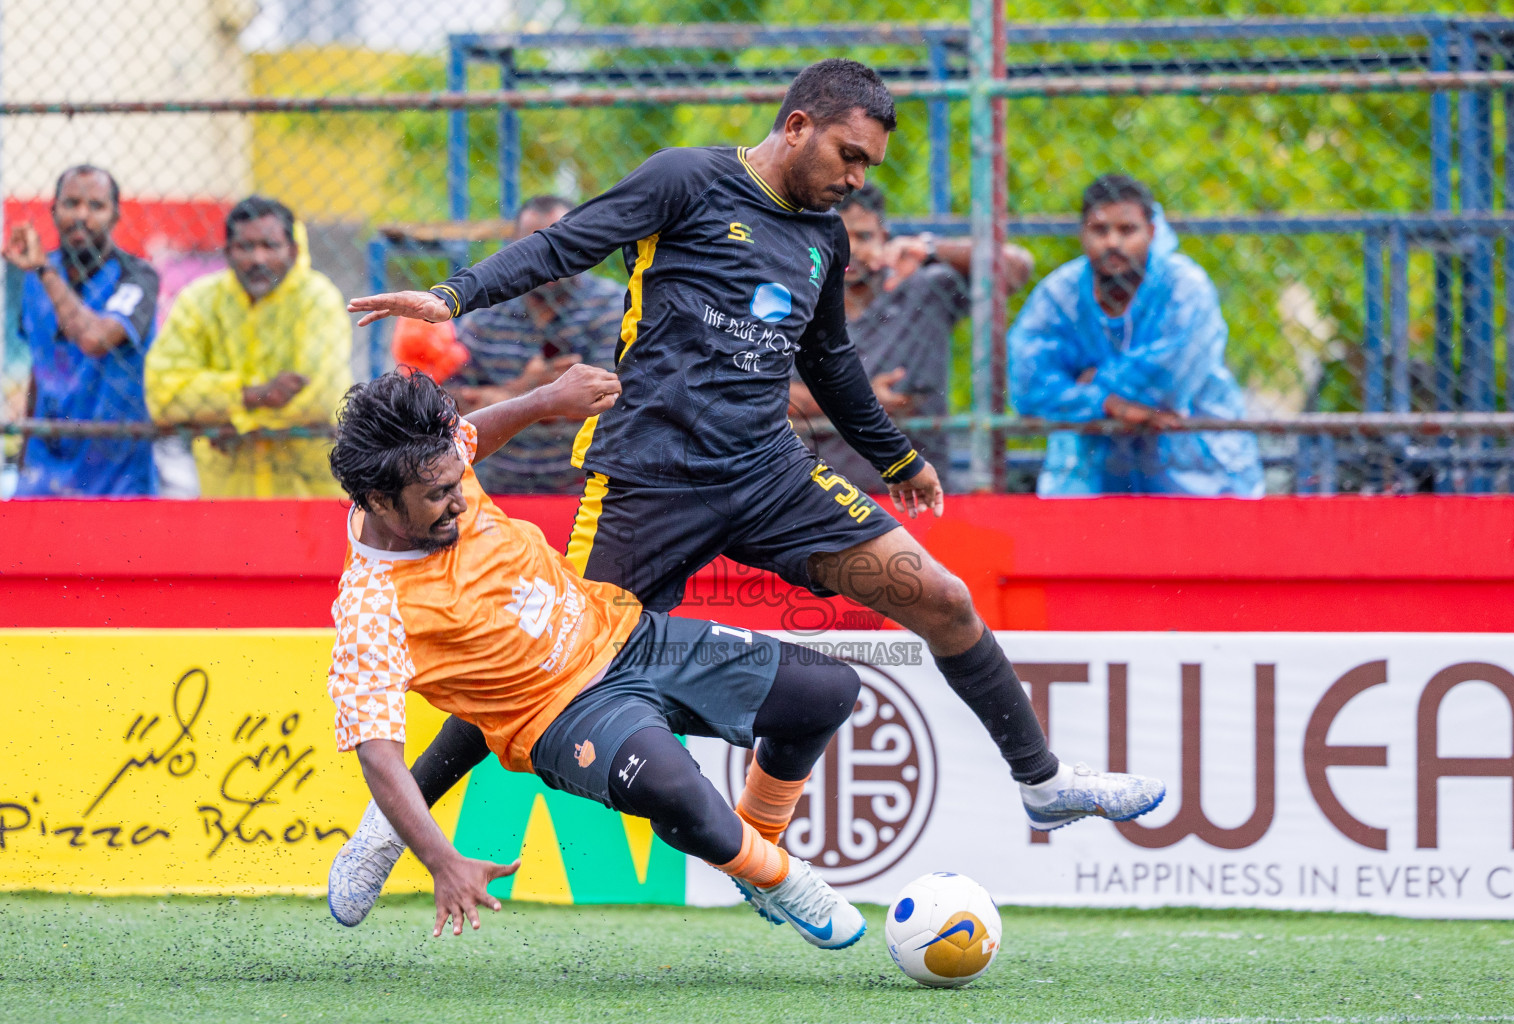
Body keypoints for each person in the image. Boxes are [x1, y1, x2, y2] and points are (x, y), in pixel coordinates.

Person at [339, 59, 1164, 918]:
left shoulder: (824, 237)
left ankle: (1039, 780)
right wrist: (453, 294)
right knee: (552, 658)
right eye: (848, 155)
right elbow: (563, 244)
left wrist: (894, 459)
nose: (855, 178)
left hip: (768, 472)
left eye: (868, 168)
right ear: (798, 125)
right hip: (648, 478)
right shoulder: (687, 179)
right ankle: (385, 831)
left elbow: (829, 361)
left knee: (941, 596)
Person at [325, 368, 867, 950]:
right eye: (437, 496)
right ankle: (784, 881)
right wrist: (441, 859)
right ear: (380, 502)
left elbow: (469, 436)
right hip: (559, 715)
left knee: (829, 690)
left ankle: (755, 850)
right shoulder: (372, 612)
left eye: (458, 482)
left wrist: (545, 400)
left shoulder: (429, 462)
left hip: (624, 632)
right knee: (679, 791)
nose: (459, 502)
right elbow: (380, 760)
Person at [1007, 174, 1263, 497]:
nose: (1113, 242)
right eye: (1100, 230)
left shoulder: (1185, 288)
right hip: (1092, 479)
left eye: (1127, 230)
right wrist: (1108, 403)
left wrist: (1087, 383)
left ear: (1151, 232)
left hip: (1199, 475)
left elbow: (1167, 385)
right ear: (1082, 234)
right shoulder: (1060, 294)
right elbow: (1027, 387)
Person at [787, 183, 1033, 491]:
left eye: (864, 237)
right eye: (838, 236)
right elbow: (766, 396)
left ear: (885, 239)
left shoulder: (923, 290)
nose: (851, 249)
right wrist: (862, 401)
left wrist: (929, 248)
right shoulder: (795, 298)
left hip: (917, 488)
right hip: (824, 491)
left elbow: (1015, 266)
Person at [145, 195, 352, 497]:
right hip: (227, 496)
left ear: (293, 251)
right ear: (227, 252)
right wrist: (252, 395)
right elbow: (162, 394)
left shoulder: (317, 299)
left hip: (309, 494)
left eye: (270, 246)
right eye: (246, 247)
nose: (258, 259)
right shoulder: (199, 302)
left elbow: (322, 397)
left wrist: (233, 419)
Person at [443, 194, 622, 495]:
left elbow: (610, 401)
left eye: (560, 245)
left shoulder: (612, 308)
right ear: (513, 251)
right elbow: (450, 409)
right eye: (534, 249)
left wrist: (500, 398)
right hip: (500, 489)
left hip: (590, 489)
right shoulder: (486, 317)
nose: (547, 260)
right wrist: (534, 389)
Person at [3, 165, 159, 496]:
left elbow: (95, 338)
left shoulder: (137, 277)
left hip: (116, 470)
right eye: (71, 203)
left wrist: (43, 270)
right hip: (46, 468)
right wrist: (23, 456)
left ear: (115, 215)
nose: (81, 215)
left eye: (96, 206)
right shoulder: (33, 277)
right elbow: (38, 367)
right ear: (53, 210)